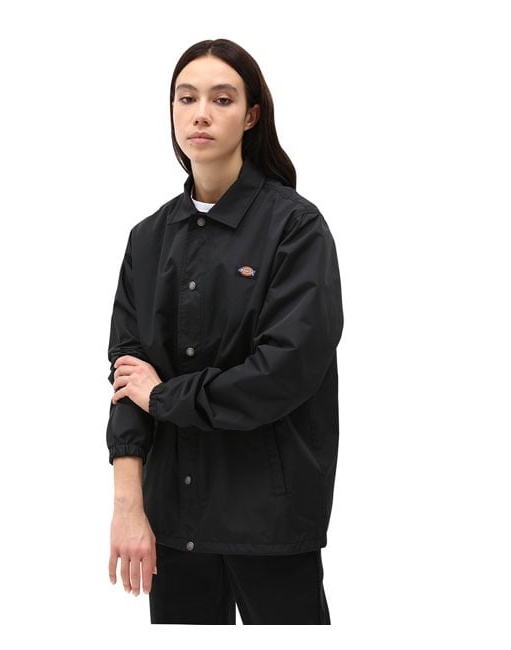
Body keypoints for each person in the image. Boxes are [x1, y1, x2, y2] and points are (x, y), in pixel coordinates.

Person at [106, 38, 343, 625]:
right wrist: (128, 507)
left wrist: (166, 396)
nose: (201, 114)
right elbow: (126, 379)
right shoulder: (147, 239)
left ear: (252, 115)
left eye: (222, 99)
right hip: (173, 522)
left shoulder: (295, 228)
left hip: (270, 521)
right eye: (186, 98)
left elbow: (282, 373)